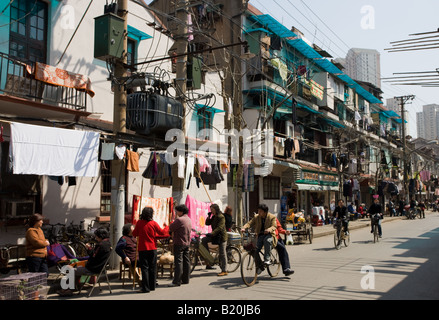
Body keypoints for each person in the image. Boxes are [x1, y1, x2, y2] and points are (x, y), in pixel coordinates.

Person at [57, 227, 112, 296]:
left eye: (97, 236)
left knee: (72, 271)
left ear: (100, 236)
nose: (96, 238)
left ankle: (68, 289)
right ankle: (73, 287)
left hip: (93, 268)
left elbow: (93, 255)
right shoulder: (108, 244)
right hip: (100, 268)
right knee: (78, 268)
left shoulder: (101, 245)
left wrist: (88, 248)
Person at [133, 207, 170, 293]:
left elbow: (135, 233)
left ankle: (146, 287)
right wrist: (167, 227)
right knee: (152, 267)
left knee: (144, 268)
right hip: (152, 248)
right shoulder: (153, 223)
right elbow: (162, 232)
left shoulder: (139, 223)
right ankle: (152, 286)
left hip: (142, 248)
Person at [168, 204, 192, 287]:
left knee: (178, 262)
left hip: (179, 242)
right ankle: (185, 279)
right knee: (186, 261)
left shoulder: (180, 220)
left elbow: (171, 227)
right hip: (187, 242)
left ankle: (176, 281)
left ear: (181, 211)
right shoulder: (188, 219)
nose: (176, 212)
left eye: (177, 211)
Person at [203, 204, 228, 276]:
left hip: (221, 237)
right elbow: (207, 223)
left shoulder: (221, 217)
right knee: (204, 240)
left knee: (222, 253)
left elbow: (220, 227)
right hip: (214, 236)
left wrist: (212, 233)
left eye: (212, 210)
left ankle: (224, 270)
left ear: (216, 209)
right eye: (211, 210)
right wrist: (208, 216)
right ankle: (209, 258)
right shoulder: (214, 217)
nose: (211, 211)